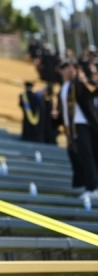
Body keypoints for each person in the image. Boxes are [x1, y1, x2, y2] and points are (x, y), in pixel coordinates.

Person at [57, 60, 98, 199]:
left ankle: (93, 187)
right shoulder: (63, 87)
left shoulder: (78, 84)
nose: (69, 70)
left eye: (72, 67)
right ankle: (85, 184)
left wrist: (84, 80)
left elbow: (91, 93)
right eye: (66, 67)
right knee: (77, 156)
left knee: (87, 155)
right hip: (70, 128)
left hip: (81, 124)